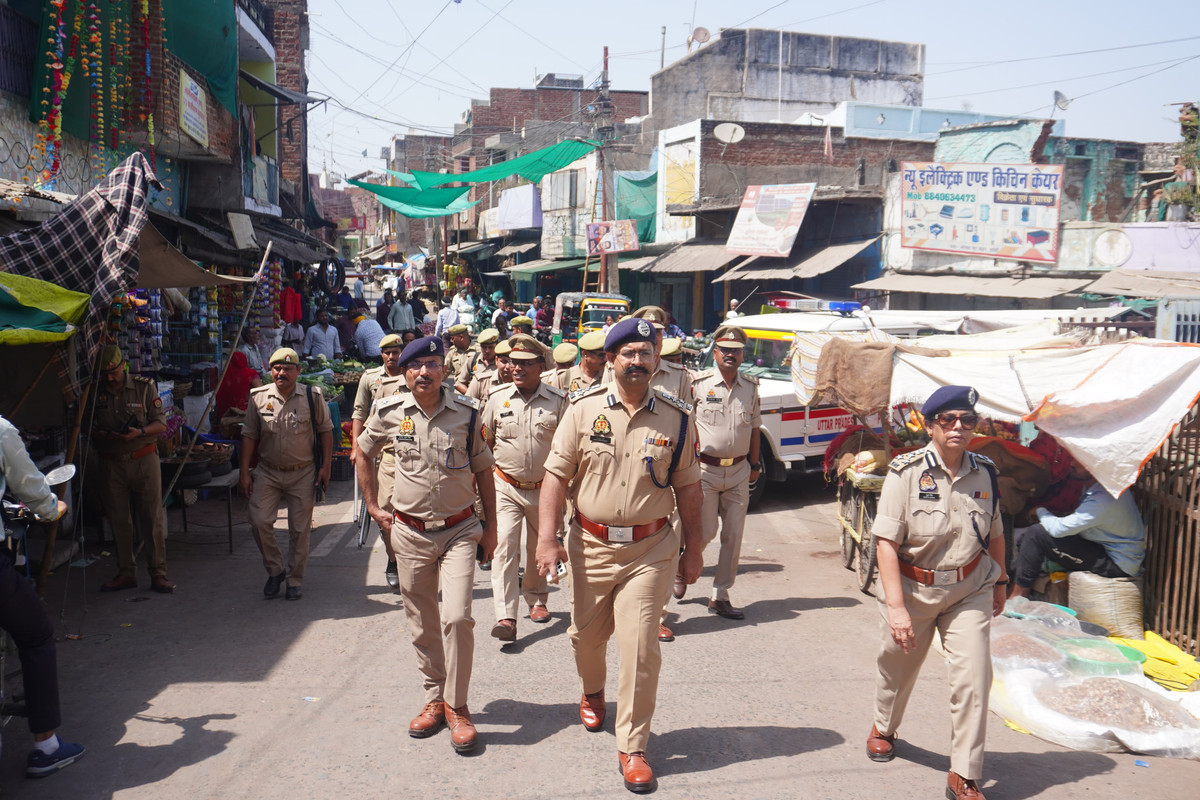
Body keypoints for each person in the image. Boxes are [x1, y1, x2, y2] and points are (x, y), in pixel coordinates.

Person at [535, 317, 704, 794]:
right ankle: (592, 690)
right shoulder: (582, 410)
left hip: (650, 549)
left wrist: (695, 550)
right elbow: (555, 477)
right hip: (588, 545)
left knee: (639, 647)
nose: (636, 361)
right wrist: (547, 539)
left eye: (644, 354)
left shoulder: (678, 416)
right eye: (627, 354)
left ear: (656, 361)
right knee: (584, 638)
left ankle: (633, 747)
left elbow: (690, 489)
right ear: (610, 360)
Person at [356, 335, 498, 754]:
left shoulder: (468, 415)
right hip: (410, 532)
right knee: (421, 619)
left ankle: (457, 705)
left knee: (456, 617)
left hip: (459, 530)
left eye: (432, 364)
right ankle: (434, 697)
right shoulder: (387, 412)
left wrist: (489, 528)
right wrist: (371, 505)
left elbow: (484, 469)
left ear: (444, 369)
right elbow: (362, 451)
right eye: (415, 366)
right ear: (404, 372)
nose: (424, 372)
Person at [867, 385, 1007, 800]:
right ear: (930, 427)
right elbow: (886, 544)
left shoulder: (985, 471)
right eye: (948, 420)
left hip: (970, 588)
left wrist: (999, 581)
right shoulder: (905, 472)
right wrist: (896, 609)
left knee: (974, 677)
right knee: (897, 666)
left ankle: (963, 773)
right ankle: (884, 726)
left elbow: (995, 533)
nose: (959, 427)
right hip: (912, 588)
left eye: (967, 420)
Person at [1, 418, 86, 778]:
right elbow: (30, 484)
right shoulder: (1, 431)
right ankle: (46, 746)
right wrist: (52, 508)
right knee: (36, 635)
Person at [481, 334, 568, 642]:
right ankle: (506, 617)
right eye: (513, 363)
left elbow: (569, 450)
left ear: (541, 367)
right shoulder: (497, 399)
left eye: (525, 364)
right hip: (505, 486)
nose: (516, 369)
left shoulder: (559, 401)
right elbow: (484, 443)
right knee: (504, 545)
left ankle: (537, 596)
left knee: (537, 547)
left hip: (547, 489)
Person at [677, 326, 761, 621]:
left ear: (742, 354)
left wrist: (755, 464)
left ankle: (720, 595)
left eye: (736, 350)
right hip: (704, 470)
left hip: (738, 470)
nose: (730, 355)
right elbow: (684, 427)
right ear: (715, 353)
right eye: (725, 349)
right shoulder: (698, 384)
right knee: (707, 530)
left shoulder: (751, 387)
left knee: (734, 535)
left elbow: (754, 428)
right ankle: (682, 563)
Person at [239, 348, 333, 601]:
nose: (282, 373)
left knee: (299, 530)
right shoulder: (258, 398)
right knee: (258, 521)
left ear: (298, 371)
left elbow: (326, 431)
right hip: (267, 472)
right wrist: (244, 472)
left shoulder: (312, 397)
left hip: (303, 472)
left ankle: (294, 579)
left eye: (288, 369)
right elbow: (249, 435)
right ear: (271, 371)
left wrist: (325, 467)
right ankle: (276, 570)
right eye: (277, 369)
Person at [90, 346, 175, 593]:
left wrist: (140, 432)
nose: (110, 378)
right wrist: (102, 433)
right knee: (119, 519)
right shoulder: (95, 393)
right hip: (111, 462)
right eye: (105, 374)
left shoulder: (144, 387)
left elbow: (161, 424)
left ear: (123, 365)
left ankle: (158, 573)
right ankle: (126, 572)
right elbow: (86, 426)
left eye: (113, 372)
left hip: (143, 460)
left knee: (151, 518)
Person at [1010, 466, 1145, 598]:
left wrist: (1039, 510)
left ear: (1094, 468)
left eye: (1080, 463)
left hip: (1116, 565)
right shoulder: (1098, 488)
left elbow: (1058, 530)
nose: (1072, 464)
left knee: (1037, 533)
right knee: (1039, 532)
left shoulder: (1103, 500)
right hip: (1108, 550)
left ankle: (1019, 594)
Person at [350, 334, 406, 588]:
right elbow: (360, 413)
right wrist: (355, 446)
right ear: (381, 355)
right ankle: (393, 558)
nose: (392, 357)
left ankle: (412, 563)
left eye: (396, 352)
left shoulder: (412, 374)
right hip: (382, 451)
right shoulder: (370, 378)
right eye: (387, 353)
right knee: (384, 509)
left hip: (410, 449)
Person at [214, 351, 263, 432]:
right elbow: (262, 392)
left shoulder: (224, 378)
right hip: (245, 416)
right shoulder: (250, 374)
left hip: (227, 419)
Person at [456, 328, 498, 395]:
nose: (487, 351)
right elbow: (459, 384)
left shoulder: (501, 363)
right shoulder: (472, 360)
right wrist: (472, 395)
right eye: (484, 347)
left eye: (490, 347)